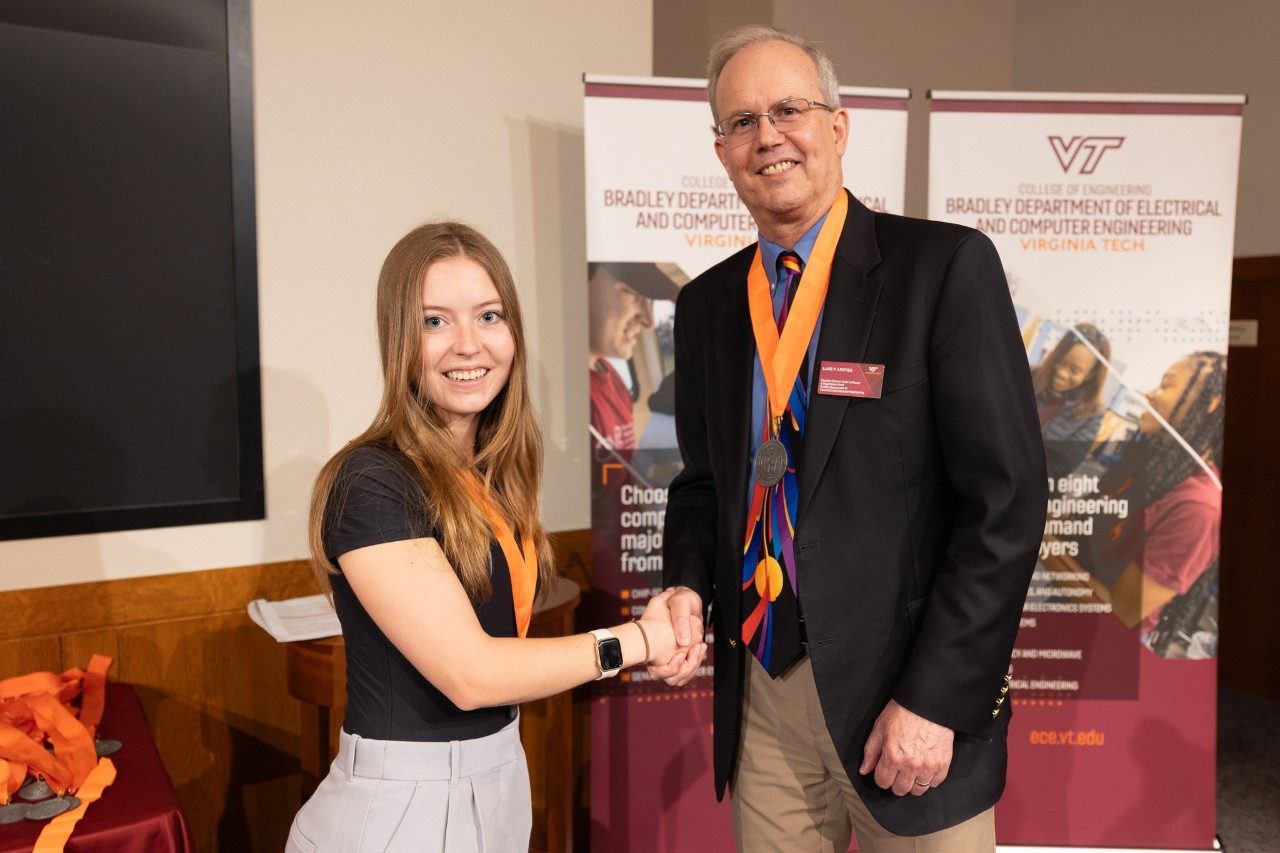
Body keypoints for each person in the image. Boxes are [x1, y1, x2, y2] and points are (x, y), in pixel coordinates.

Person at [653, 26, 1047, 851]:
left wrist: (938, 697)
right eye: (742, 121)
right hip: (764, 692)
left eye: (789, 109)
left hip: (905, 703)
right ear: (722, 151)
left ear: (838, 126)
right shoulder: (708, 307)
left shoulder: (942, 270)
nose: (768, 136)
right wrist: (687, 582)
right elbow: (703, 483)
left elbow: (1004, 505)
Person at [285, 222, 694, 852]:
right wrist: (640, 640)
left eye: (489, 316)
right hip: (400, 808)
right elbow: (470, 673)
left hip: (496, 777)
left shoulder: (489, 476)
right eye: (435, 322)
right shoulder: (370, 480)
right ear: (399, 339)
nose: (468, 346)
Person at [1084, 351, 1224, 652]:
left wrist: (1044, 544)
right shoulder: (1152, 460)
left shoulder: (1198, 508)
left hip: (1101, 650)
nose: (1149, 393)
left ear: (1210, 403)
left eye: (1165, 385)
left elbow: (1118, 616)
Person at [588, 262, 679, 453]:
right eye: (631, 293)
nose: (648, 321)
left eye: (648, 301)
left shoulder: (613, 378)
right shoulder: (566, 395)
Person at [1031, 323, 1111, 480]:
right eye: (1060, 361)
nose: (1061, 373)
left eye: (1074, 370)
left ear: (1090, 374)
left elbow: (1060, 467)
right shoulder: (1027, 375)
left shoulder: (1092, 414)